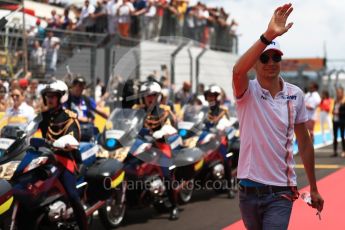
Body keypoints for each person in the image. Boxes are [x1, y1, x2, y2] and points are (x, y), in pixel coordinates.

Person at [232, 3, 323, 229]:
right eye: (264, 58)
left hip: (280, 192)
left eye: (276, 58)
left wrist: (313, 186)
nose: (271, 63)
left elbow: (304, 141)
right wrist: (269, 34)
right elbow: (237, 71)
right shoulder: (246, 90)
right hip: (248, 191)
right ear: (255, 63)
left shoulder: (296, 94)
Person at [38, 80, 88, 230]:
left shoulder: (69, 116)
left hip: (63, 159)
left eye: (53, 96)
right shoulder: (43, 116)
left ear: (61, 98)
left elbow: (74, 136)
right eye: (48, 96)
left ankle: (83, 226)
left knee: (72, 195)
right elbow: (29, 131)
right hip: (44, 158)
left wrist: (64, 142)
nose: (50, 99)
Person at [132, 81, 179, 220]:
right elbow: (128, 124)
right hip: (140, 145)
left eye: (153, 95)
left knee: (166, 175)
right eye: (147, 95)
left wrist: (163, 131)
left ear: (158, 96)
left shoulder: (165, 110)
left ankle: (174, 206)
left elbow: (171, 126)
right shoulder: (137, 110)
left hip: (160, 146)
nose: (150, 98)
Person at [203, 84, 235, 198]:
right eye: (208, 96)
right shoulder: (205, 110)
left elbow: (227, 123)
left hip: (219, 139)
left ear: (217, 97)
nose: (210, 98)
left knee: (225, 158)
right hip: (206, 137)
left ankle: (229, 187)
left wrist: (220, 129)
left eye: (212, 96)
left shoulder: (223, 110)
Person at [331, 87, 345, 157]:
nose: (338, 94)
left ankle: (343, 151)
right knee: (335, 136)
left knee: (342, 136)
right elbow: (333, 109)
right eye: (337, 92)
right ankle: (335, 151)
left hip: (342, 121)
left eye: (339, 92)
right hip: (335, 120)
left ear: (342, 93)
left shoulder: (344, 101)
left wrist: (338, 113)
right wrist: (333, 112)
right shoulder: (335, 101)